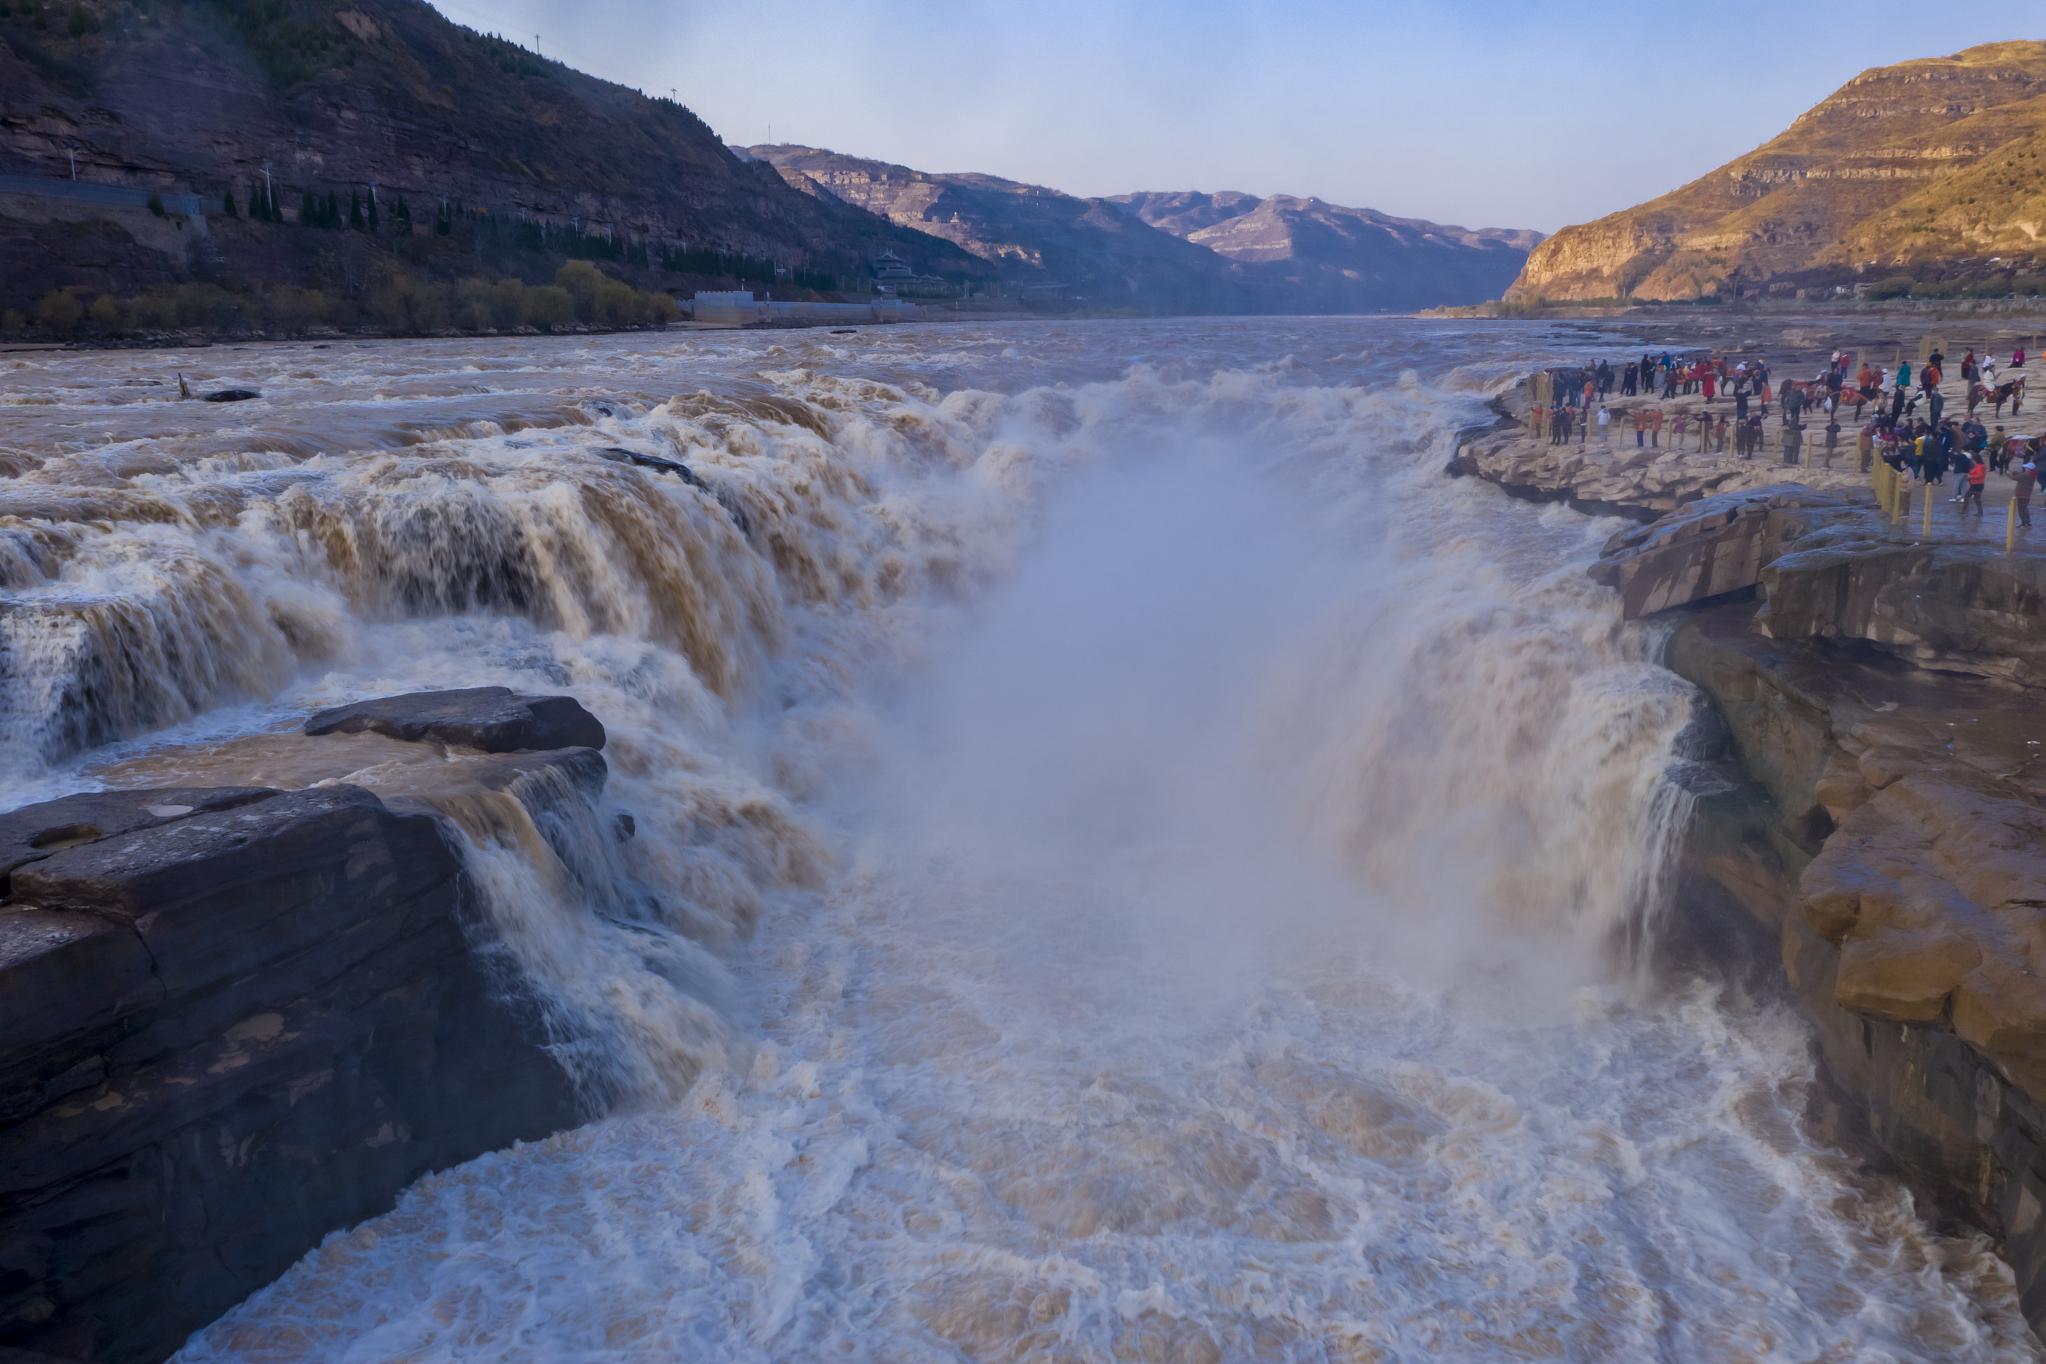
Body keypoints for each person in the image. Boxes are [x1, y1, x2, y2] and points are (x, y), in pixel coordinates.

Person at [2013, 453, 2036, 528]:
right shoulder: (2032, 475)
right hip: (2027, 494)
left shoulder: (2026, 474)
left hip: (2021, 494)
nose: (2025, 468)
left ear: (2029, 469)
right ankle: (2027, 522)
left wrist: (2007, 473)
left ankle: (2024, 522)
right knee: (2024, 508)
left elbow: (2015, 478)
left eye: (2027, 468)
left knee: (2021, 509)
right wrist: (2017, 473)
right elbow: (2021, 476)